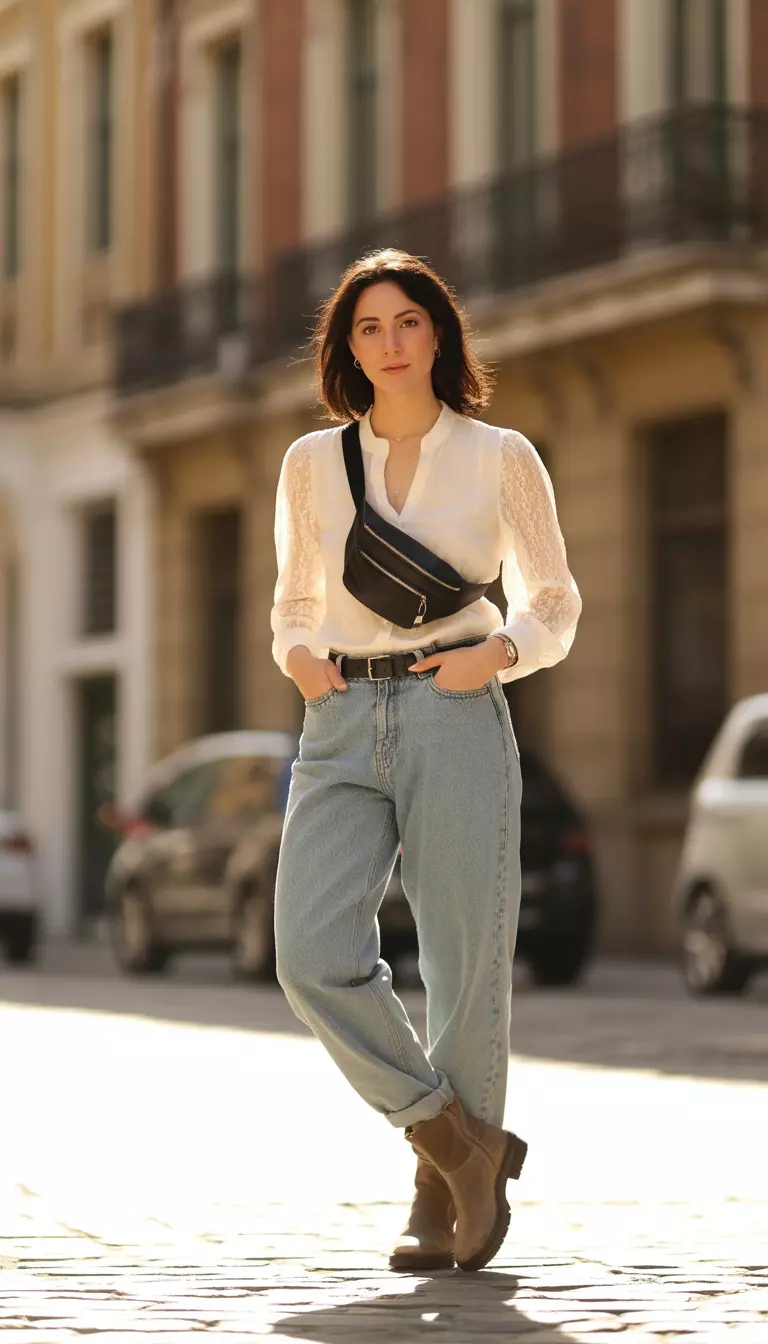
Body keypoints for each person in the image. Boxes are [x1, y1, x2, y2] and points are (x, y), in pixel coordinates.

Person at [270, 249, 581, 1273]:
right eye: (369, 328)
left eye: (408, 323)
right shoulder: (312, 463)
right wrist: (299, 656)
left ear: (439, 335)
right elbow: (294, 601)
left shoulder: (502, 457)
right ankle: (450, 1142)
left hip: (456, 713)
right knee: (309, 953)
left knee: (463, 963)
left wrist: (499, 653)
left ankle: (439, 1196)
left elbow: (553, 600)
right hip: (341, 718)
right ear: (346, 348)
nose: (391, 343)